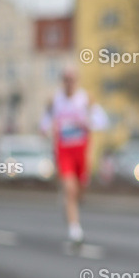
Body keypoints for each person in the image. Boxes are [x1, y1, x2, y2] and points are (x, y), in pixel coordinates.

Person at [41, 67, 107, 245]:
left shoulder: (85, 99)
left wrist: (88, 122)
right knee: (70, 189)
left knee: (80, 189)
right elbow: (45, 121)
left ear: (77, 81)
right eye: (66, 80)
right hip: (64, 151)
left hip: (81, 151)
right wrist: (46, 128)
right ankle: (74, 229)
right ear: (62, 81)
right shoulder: (55, 100)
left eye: (72, 80)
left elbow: (102, 120)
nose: (69, 83)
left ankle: (72, 201)